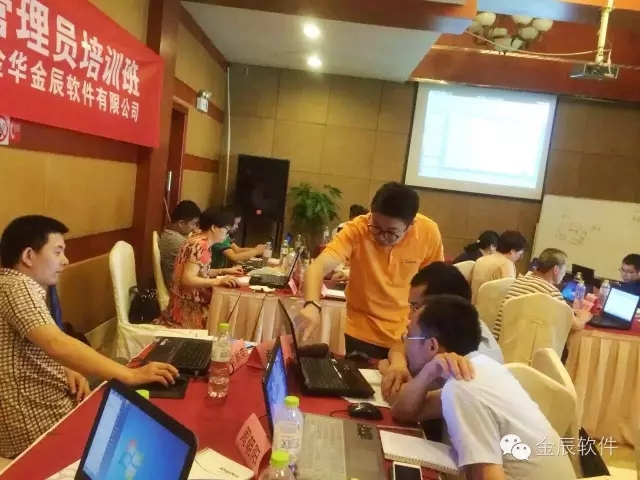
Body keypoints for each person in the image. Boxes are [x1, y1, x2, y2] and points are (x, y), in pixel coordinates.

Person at [0, 215, 178, 459]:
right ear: (29, 256)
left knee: (125, 385)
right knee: (136, 414)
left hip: (47, 398)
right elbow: (55, 343)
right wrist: (131, 375)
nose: (65, 260)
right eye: (58, 252)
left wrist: (66, 368)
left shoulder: (12, 285)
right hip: (36, 424)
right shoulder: (18, 287)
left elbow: (29, 347)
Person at [393, 295, 576, 479]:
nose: (405, 342)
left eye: (408, 336)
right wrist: (427, 373)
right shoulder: (481, 367)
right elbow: (404, 412)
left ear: (432, 346)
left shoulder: (463, 387)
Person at [296, 182, 444, 359]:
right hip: (361, 331)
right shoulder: (357, 229)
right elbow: (317, 267)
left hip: (407, 333)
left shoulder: (429, 232)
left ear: (410, 224)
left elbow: (436, 284)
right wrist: (312, 305)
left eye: (391, 232)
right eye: (376, 226)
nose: (382, 236)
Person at [381, 261, 503, 405]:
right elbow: (401, 345)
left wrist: (392, 373)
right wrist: (398, 365)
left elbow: (402, 401)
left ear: (442, 305)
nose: (409, 315)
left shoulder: (475, 360)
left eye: (415, 307)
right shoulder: (450, 328)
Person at [157, 209, 241, 330]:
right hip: (189, 310)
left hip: (179, 303)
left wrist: (223, 271)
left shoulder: (195, 239)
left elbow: (199, 273)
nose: (227, 234)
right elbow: (188, 279)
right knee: (230, 318)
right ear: (214, 228)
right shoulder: (200, 246)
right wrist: (218, 281)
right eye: (226, 229)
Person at [492, 248, 591, 342]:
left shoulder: (520, 281)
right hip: (520, 348)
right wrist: (584, 316)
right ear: (556, 269)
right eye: (564, 270)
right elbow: (575, 326)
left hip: (498, 343)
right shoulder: (551, 293)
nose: (564, 274)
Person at [470, 230, 527, 304]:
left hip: (473, 305)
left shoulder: (481, 259)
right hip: (490, 308)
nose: (519, 258)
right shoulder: (507, 264)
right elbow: (509, 295)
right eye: (520, 255)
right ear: (512, 251)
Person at [158, 200, 202, 286]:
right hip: (178, 287)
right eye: (193, 224)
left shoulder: (169, 234)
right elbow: (200, 268)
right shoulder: (177, 241)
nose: (194, 228)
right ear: (181, 223)